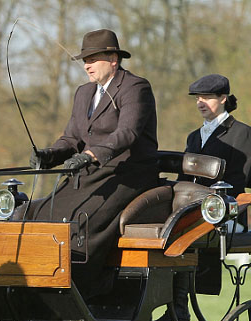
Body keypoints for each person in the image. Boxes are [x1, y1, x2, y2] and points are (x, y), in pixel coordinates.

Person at [25, 28, 158, 297]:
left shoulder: (135, 87)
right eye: (84, 60)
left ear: (113, 59)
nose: (86, 65)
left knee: (80, 222)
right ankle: (34, 286)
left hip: (127, 176)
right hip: (88, 176)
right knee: (34, 214)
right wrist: (49, 155)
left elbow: (127, 133)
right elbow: (72, 138)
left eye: (93, 58)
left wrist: (90, 155)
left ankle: (86, 290)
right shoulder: (84, 93)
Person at [156, 74, 251, 321]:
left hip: (223, 212)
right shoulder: (193, 137)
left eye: (207, 98)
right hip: (191, 211)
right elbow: (183, 179)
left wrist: (205, 202)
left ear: (223, 98)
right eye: (198, 98)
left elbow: (237, 179)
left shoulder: (242, 133)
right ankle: (172, 307)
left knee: (181, 235)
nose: (201, 103)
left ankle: (178, 311)